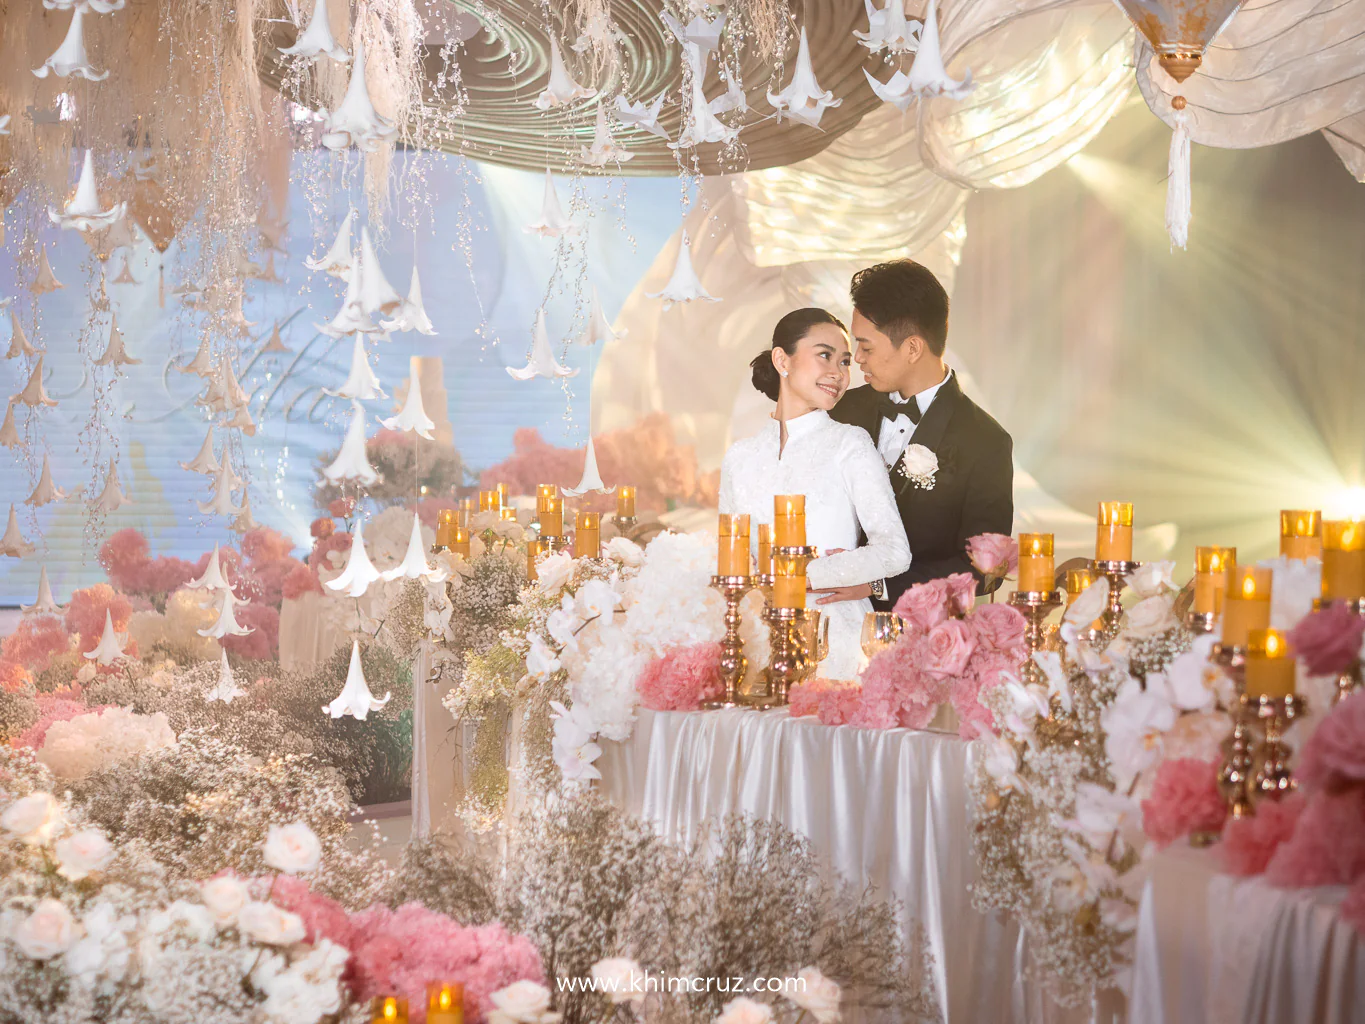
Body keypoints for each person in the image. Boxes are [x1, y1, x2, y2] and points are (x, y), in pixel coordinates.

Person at [718, 308, 911, 680]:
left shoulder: (850, 443)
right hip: (752, 639)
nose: (839, 373)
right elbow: (728, 557)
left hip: (832, 638)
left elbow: (894, 550)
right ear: (782, 360)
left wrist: (807, 575)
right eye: (825, 355)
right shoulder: (739, 457)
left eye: (845, 362)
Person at [829, 259, 1013, 609]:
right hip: (827, 617)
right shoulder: (842, 411)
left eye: (867, 347)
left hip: (918, 630)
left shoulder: (985, 441)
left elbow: (986, 570)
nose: (857, 358)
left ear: (913, 348)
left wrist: (880, 586)